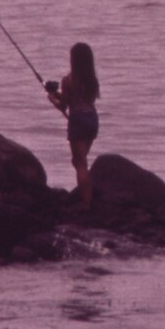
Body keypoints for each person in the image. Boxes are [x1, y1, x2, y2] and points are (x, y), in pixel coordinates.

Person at [47, 42, 100, 210]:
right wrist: (56, 94)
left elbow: (63, 105)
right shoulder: (92, 81)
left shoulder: (68, 80)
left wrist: (51, 97)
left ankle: (86, 203)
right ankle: (87, 194)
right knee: (79, 161)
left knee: (80, 162)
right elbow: (82, 99)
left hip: (77, 121)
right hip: (92, 120)